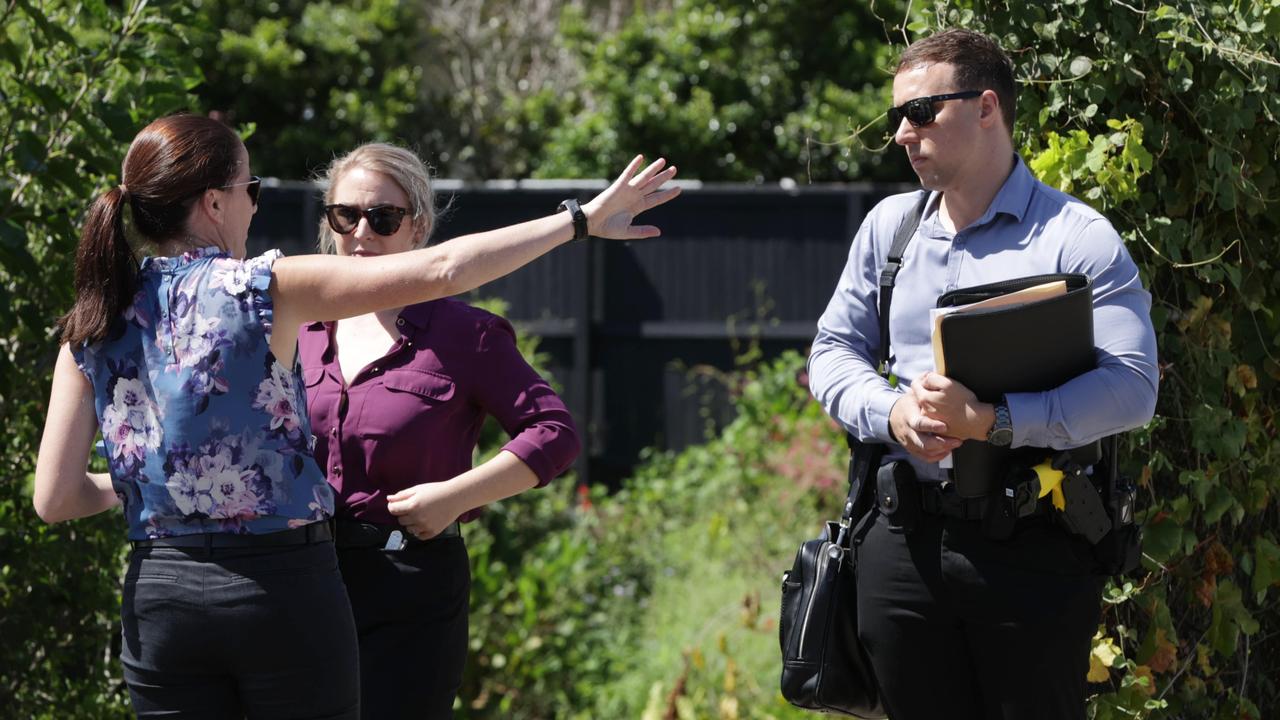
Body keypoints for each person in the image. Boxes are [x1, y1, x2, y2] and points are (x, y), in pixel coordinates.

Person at [32, 112, 678, 718]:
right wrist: (579, 220)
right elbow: (448, 267)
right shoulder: (264, 290)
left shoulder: (92, 317)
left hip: (160, 600)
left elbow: (55, 498)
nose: (255, 204)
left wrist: (165, 488)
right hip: (278, 589)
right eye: (250, 187)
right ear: (214, 202)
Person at [807, 29, 1158, 720]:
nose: (903, 134)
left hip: (1032, 552)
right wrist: (891, 413)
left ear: (987, 107)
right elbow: (831, 353)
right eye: (895, 118)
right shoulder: (889, 231)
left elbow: (1132, 387)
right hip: (901, 548)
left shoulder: (1075, 237)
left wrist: (994, 422)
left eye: (920, 112)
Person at [296, 142, 580, 719]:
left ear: (418, 226)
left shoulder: (464, 333)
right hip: (303, 580)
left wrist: (458, 495)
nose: (361, 234)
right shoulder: (296, 327)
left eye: (383, 218)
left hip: (411, 582)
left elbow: (555, 431)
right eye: (345, 216)